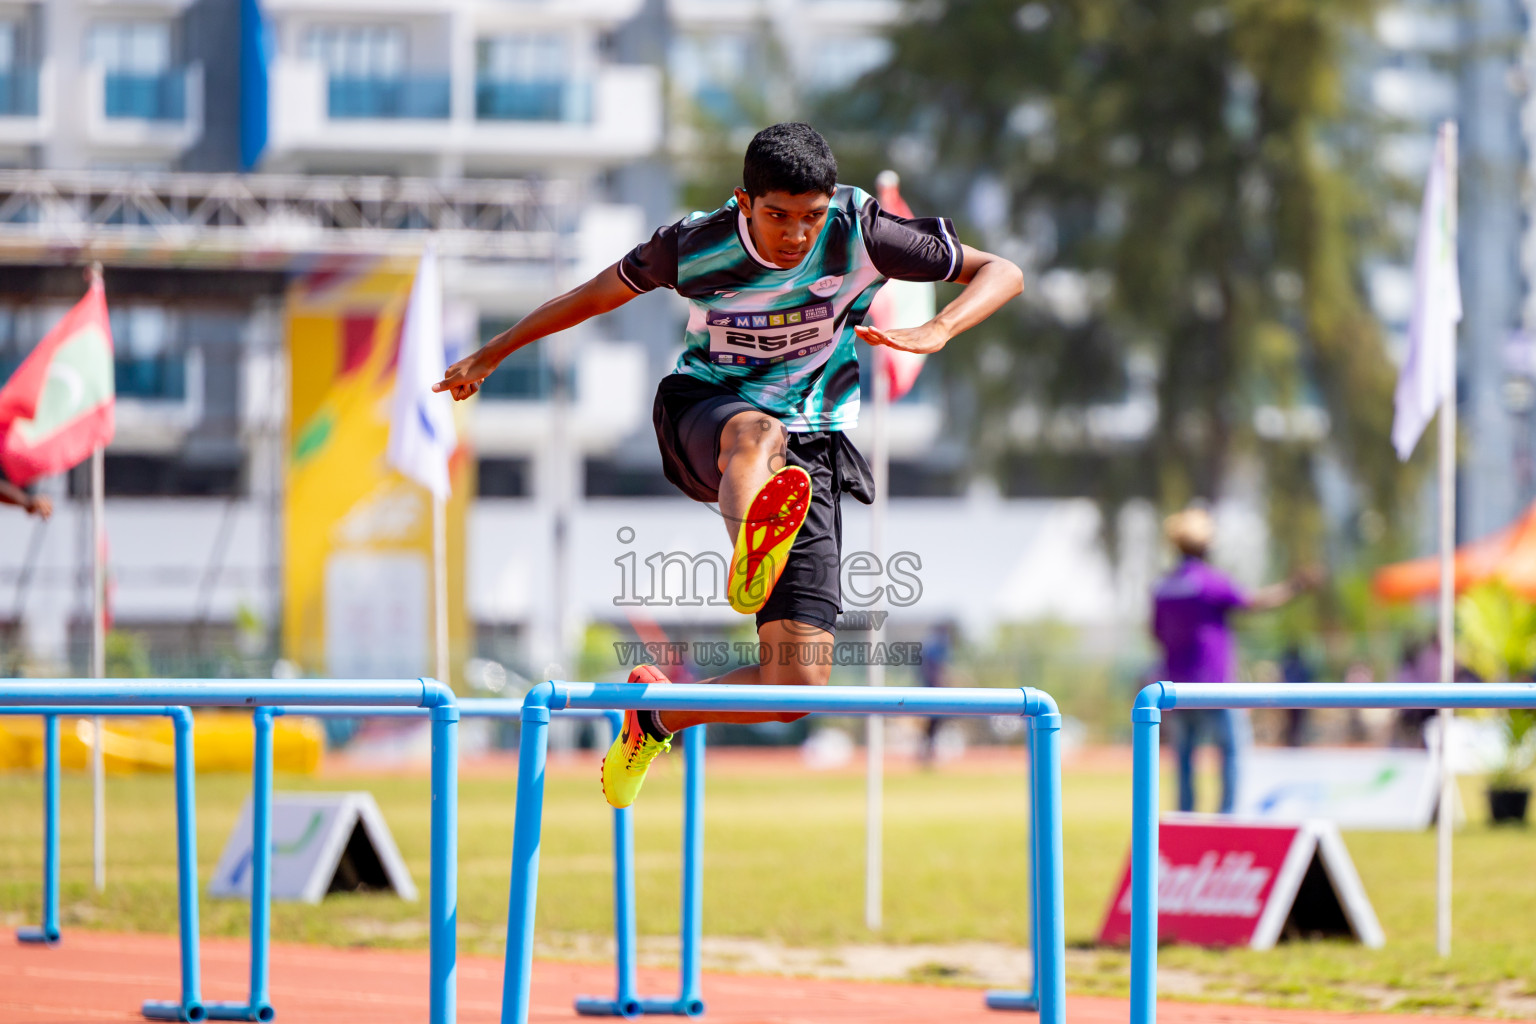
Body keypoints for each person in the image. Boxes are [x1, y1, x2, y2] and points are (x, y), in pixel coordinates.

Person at [437, 123, 1022, 807]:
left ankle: (657, 714)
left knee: (795, 688)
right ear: (744, 202)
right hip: (706, 412)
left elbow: (1002, 271)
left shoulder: (863, 229)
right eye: (777, 216)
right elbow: (594, 295)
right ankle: (753, 544)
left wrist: (939, 328)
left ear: (829, 204)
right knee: (756, 433)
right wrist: (493, 351)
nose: (795, 236)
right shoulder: (693, 244)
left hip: (813, 446)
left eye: (810, 218)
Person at [1151, 507, 1318, 813]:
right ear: (1206, 545)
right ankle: (1227, 819)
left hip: (1174, 687)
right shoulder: (1211, 582)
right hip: (1215, 686)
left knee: (1185, 761)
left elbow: (1156, 633)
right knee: (1231, 752)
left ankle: (1184, 820)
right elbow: (1255, 601)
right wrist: (1295, 586)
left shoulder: (1163, 586)